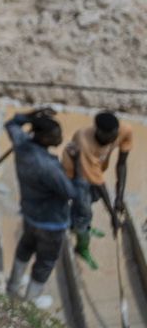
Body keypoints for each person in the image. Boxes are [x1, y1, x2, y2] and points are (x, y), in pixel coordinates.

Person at [6, 109, 75, 305]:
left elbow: (11, 124)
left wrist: (31, 115)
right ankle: (29, 301)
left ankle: (12, 287)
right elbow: (70, 192)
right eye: (56, 136)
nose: (61, 138)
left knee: (25, 247)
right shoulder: (49, 167)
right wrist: (77, 168)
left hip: (30, 214)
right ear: (44, 138)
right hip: (52, 223)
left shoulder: (21, 144)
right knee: (45, 262)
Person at [65, 111, 132, 269]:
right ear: (97, 132)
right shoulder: (84, 141)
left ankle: (79, 224)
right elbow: (100, 184)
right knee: (83, 211)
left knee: (92, 200)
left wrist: (119, 197)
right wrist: (112, 215)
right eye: (106, 138)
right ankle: (81, 246)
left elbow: (121, 164)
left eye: (113, 138)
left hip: (95, 171)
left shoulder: (125, 130)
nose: (110, 141)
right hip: (75, 173)